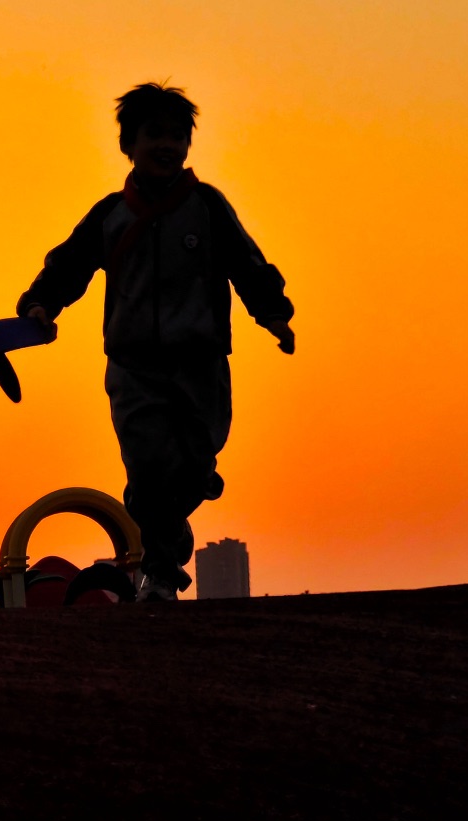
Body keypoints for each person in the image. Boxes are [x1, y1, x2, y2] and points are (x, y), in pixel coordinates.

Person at [17, 82, 295, 602]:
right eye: (154, 134)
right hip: (134, 368)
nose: (167, 145)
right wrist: (40, 304)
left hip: (200, 365)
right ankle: (164, 573)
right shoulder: (110, 215)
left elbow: (248, 264)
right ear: (129, 143)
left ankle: (184, 500)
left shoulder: (208, 208)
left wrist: (274, 313)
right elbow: (68, 265)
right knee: (146, 472)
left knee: (193, 465)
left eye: (178, 136)